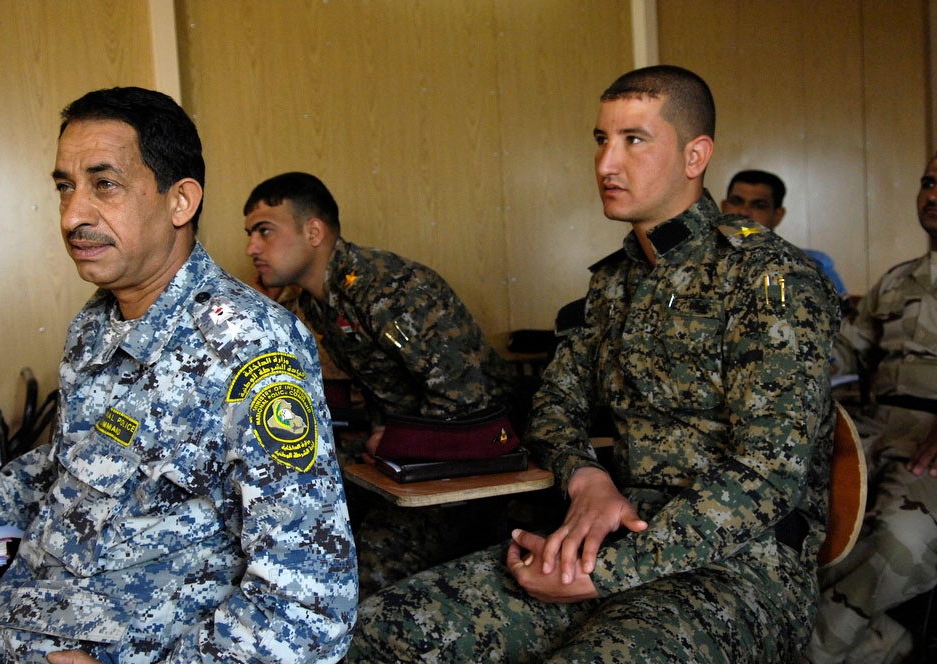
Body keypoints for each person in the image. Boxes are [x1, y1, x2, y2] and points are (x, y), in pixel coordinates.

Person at [347, 64, 839, 662]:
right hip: (603, 536)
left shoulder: (769, 278)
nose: (606, 164)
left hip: (738, 568)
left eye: (634, 140)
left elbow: (767, 475)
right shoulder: (612, 284)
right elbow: (553, 406)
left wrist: (608, 571)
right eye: (602, 140)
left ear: (694, 155)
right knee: (376, 633)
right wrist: (587, 479)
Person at [0, 87, 357, 663]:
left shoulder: (251, 346)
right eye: (65, 186)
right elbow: (74, 465)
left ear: (180, 202)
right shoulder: (97, 323)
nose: (73, 215)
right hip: (19, 613)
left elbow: (310, 609)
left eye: (104, 184)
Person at [243, 172, 517, 597]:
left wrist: (396, 439)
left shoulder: (382, 287)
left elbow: (470, 399)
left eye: (265, 232)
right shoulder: (314, 300)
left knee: (351, 577)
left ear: (313, 231)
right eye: (249, 235)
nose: (251, 249)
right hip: (401, 462)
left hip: (464, 468)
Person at [806, 151, 937, 663]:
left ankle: (807, 654)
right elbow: (846, 349)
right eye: (927, 182)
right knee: (805, 525)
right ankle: (885, 643)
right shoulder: (898, 280)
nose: (932, 195)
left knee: (898, 541)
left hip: (930, 444)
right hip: (872, 431)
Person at [721, 169, 852, 311]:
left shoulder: (813, 264)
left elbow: (841, 325)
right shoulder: (700, 259)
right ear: (723, 207)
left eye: (759, 206)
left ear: (778, 215)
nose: (744, 212)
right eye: (736, 202)